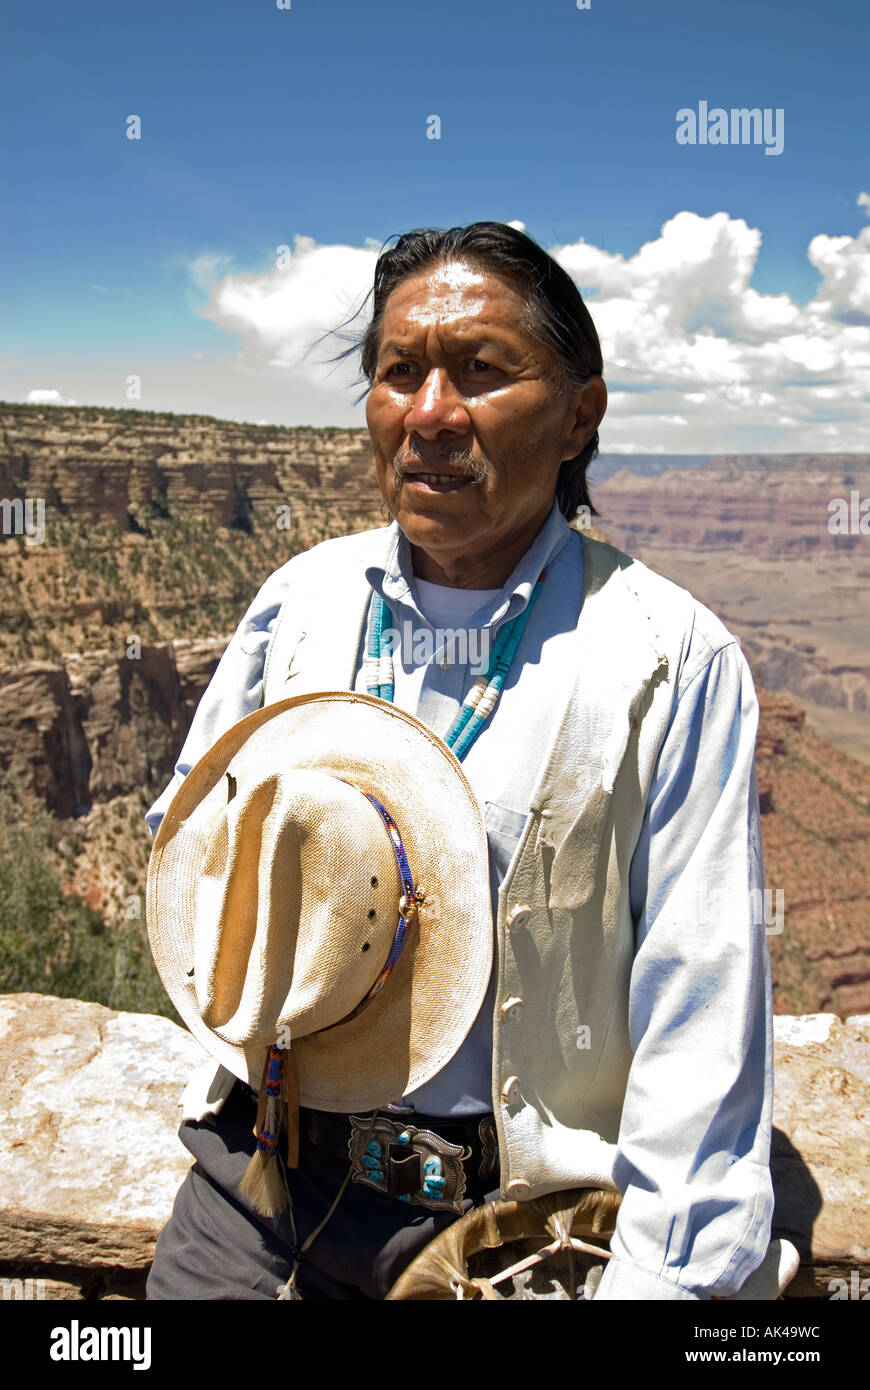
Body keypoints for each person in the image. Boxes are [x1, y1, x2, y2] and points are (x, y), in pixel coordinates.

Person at [144, 221, 774, 1301]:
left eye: (481, 371)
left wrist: (661, 1284)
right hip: (262, 1182)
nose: (430, 413)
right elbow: (192, 842)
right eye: (399, 373)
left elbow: (699, 1005)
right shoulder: (300, 603)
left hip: (506, 1232)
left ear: (582, 413)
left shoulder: (670, 659)